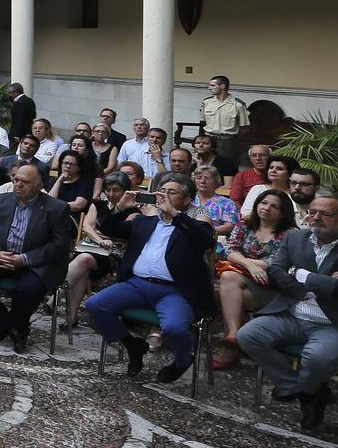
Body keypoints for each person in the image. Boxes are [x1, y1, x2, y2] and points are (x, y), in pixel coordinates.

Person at [237, 194, 338, 431]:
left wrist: (298, 272)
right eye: (312, 212)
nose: (316, 218)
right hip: (294, 314)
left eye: (325, 214)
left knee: (316, 358)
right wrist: (316, 283)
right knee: (248, 335)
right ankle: (306, 390)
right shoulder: (296, 238)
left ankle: (308, 390)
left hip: (336, 324)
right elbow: (276, 269)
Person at [85, 173, 217, 383]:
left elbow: (204, 241)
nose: (164, 196)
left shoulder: (193, 224)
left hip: (175, 291)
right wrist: (122, 207)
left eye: (171, 192)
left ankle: (183, 360)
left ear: (186, 200)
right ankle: (132, 345)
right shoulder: (146, 221)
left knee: (174, 328)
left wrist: (174, 213)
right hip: (137, 285)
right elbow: (109, 229)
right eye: (161, 191)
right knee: (95, 304)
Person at [0, 164, 74, 353]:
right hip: (2, 256)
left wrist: (24, 259)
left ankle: (19, 328)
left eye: (25, 182)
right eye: (16, 180)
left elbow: (59, 247)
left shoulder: (56, 208)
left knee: (28, 288)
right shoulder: (1, 200)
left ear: (40, 185)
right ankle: (3, 324)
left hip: (35, 263)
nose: (18, 185)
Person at [211, 188, 297, 370]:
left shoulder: (290, 234)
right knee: (230, 280)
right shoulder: (246, 224)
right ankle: (234, 336)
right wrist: (250, 266)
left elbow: (277, 262)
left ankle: (232, 343)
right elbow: (230, 251)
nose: (267, 208)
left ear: (283, 213)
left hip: (273, 289)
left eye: (274, 206)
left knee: (228, 286)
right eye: (264, 203)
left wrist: (243, 262)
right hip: (242, 280)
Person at [61, 172, 133, 330]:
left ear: (125, 190)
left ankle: (56, 296)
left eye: (116, 190)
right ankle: (71, 317)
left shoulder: (133, 210)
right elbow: (87, 226)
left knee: (83, 259)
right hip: (93, 247)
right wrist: (99, 239)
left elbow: (120, 231)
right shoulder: (98, 204)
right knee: (84, 261)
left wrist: (103, 233)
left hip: (115, 254)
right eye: (107, 189)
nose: (111, 194)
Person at [200, 75, 248, 164]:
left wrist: (234, 141)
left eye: (212, 85)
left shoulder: (237, 105)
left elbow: (244, 127)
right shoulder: (207, 102)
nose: (209, 88)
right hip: (208, 139)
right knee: (206, 166)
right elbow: (203, 122)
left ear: (222, 86)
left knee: (228, 166)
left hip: (227, 141)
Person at [189, 165, 240, 236]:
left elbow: (230, 226)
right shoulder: (188, 200)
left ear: (215, 182)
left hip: (215, 240)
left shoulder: (227, 203)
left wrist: (204, 231)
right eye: (199, 178)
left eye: (207, 178)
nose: (202, 181)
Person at [47, 150, 96, 216]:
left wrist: (56, 207)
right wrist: (59, 181)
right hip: (54, 216)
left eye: (72, 164)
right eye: (65, 163)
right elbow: (50, 201)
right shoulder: (55, 181)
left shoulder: (84, 182)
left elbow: (79, 205)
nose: (68, 166)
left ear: (78, 168)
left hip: (72, 218)